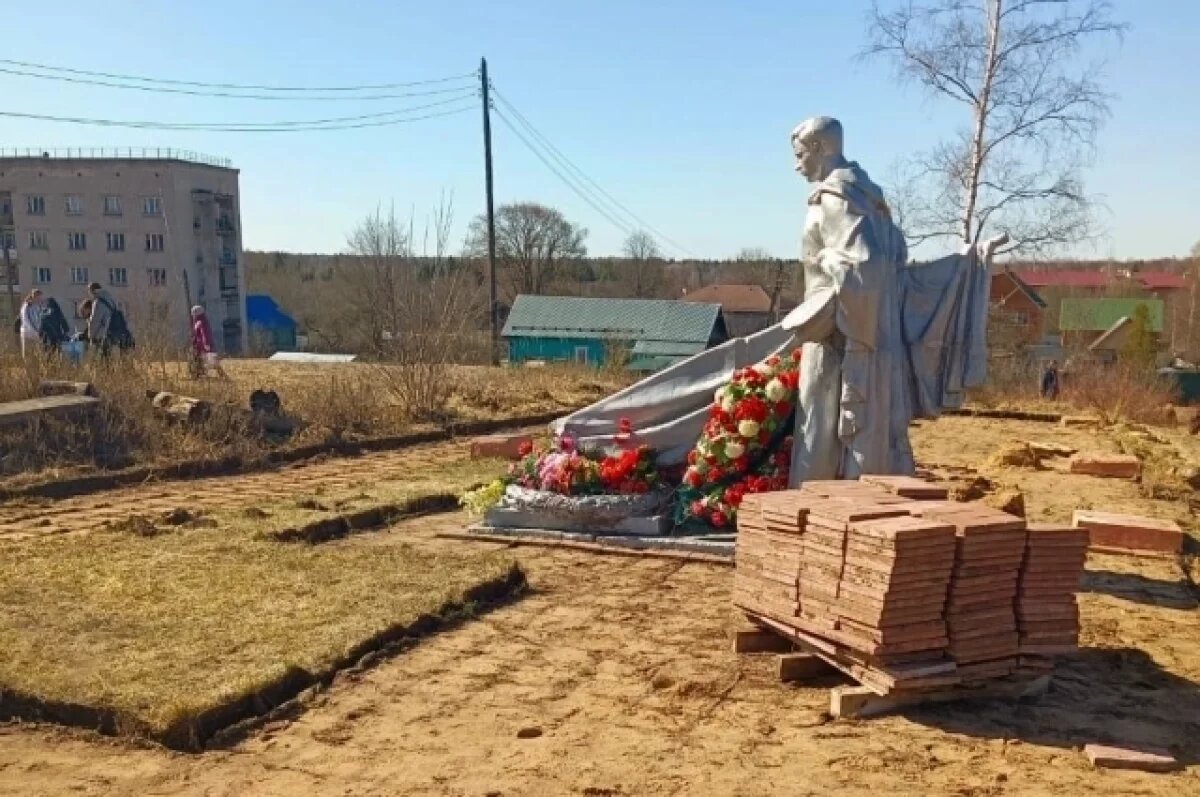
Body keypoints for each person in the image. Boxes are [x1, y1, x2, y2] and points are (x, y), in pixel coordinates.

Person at [554, 116, 1005, 488]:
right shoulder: (872, 201)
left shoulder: (837, 200)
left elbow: (864, 270)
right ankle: (862, 502)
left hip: (840, 341)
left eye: (800, 154)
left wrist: (826, 260)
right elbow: (895, 271)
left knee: (820, 429)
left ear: (821, 149)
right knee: (858, 434)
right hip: (872, 339)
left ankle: (818, 507)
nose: (796, 166)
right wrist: (966, 262)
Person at [86, 282, 135, 358]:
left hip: (104, 335)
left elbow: (95, 320)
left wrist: (91, 336)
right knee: (111, 358)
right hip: (114, 334)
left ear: (92, 291)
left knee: (103, 359)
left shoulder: (98, 302)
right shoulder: (111, 300)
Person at [190, 305, 228, 378]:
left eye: (193, 314)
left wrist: (206, 343)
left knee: (212, 362)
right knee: (202, 361)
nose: (193, 316)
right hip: (200, 346)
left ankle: (222, 376)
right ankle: (198, 375)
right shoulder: (199, 322)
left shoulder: (201, 322)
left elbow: (205, 333)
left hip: (204, 347)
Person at [18, 289, 44, 359]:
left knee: (37, 355)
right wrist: (35, 331)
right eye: (39, 297)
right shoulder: (27, 306)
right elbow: (26, 320)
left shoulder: (38, 306)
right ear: (35, 297)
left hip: (36, 334)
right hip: (28, 333)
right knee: (28, 355)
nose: (41, 299)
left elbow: (39, 320)